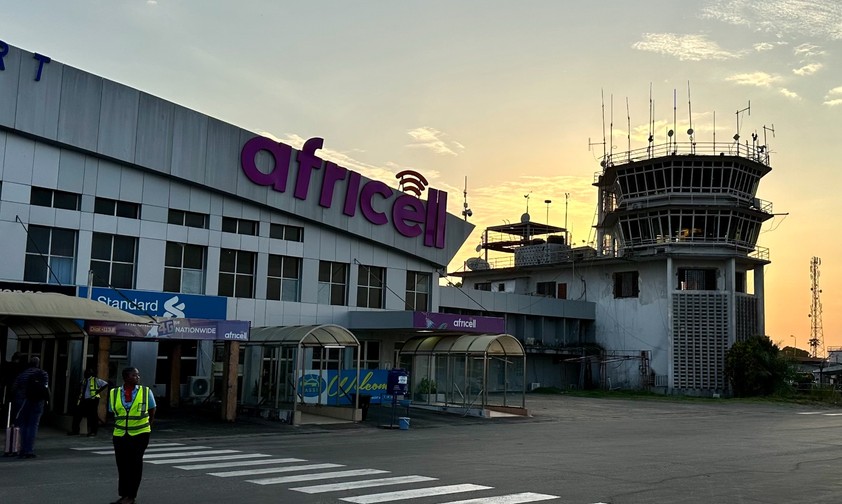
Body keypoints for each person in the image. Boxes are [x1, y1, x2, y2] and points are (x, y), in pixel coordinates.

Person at [108, 367, 156, 504]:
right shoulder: (114, 393)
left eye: (138, 375)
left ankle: (131, 496)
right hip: (120, 434)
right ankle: (124, 494)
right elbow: (113, 411)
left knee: (135, 464)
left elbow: (152, 410)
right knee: (122, 465)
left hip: (140, 434)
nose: (138, 377)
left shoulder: (146, 392)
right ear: (126, 377)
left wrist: (148, 426)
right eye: (134, 375)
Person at [11, 356, 49, 459]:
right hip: (38, 402)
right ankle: (29, 450)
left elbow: (14, 387)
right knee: (33, 425)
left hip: (23, 401)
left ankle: (22, 449)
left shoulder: (22, 375)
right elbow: (45, 388)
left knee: (23, 425)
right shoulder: (43, 374)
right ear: (38, 363)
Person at [68, 368, 109, 436]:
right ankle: (75, 431)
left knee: (92, 416)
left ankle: (93, 432)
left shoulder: (95, 380)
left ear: (90, 374)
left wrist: (98, 391)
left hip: (92, 399)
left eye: (87, 373)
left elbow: (106, 384)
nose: (85, 374)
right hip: (83, 399)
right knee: (77, 415)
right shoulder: (83, 381)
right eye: (85, 373)